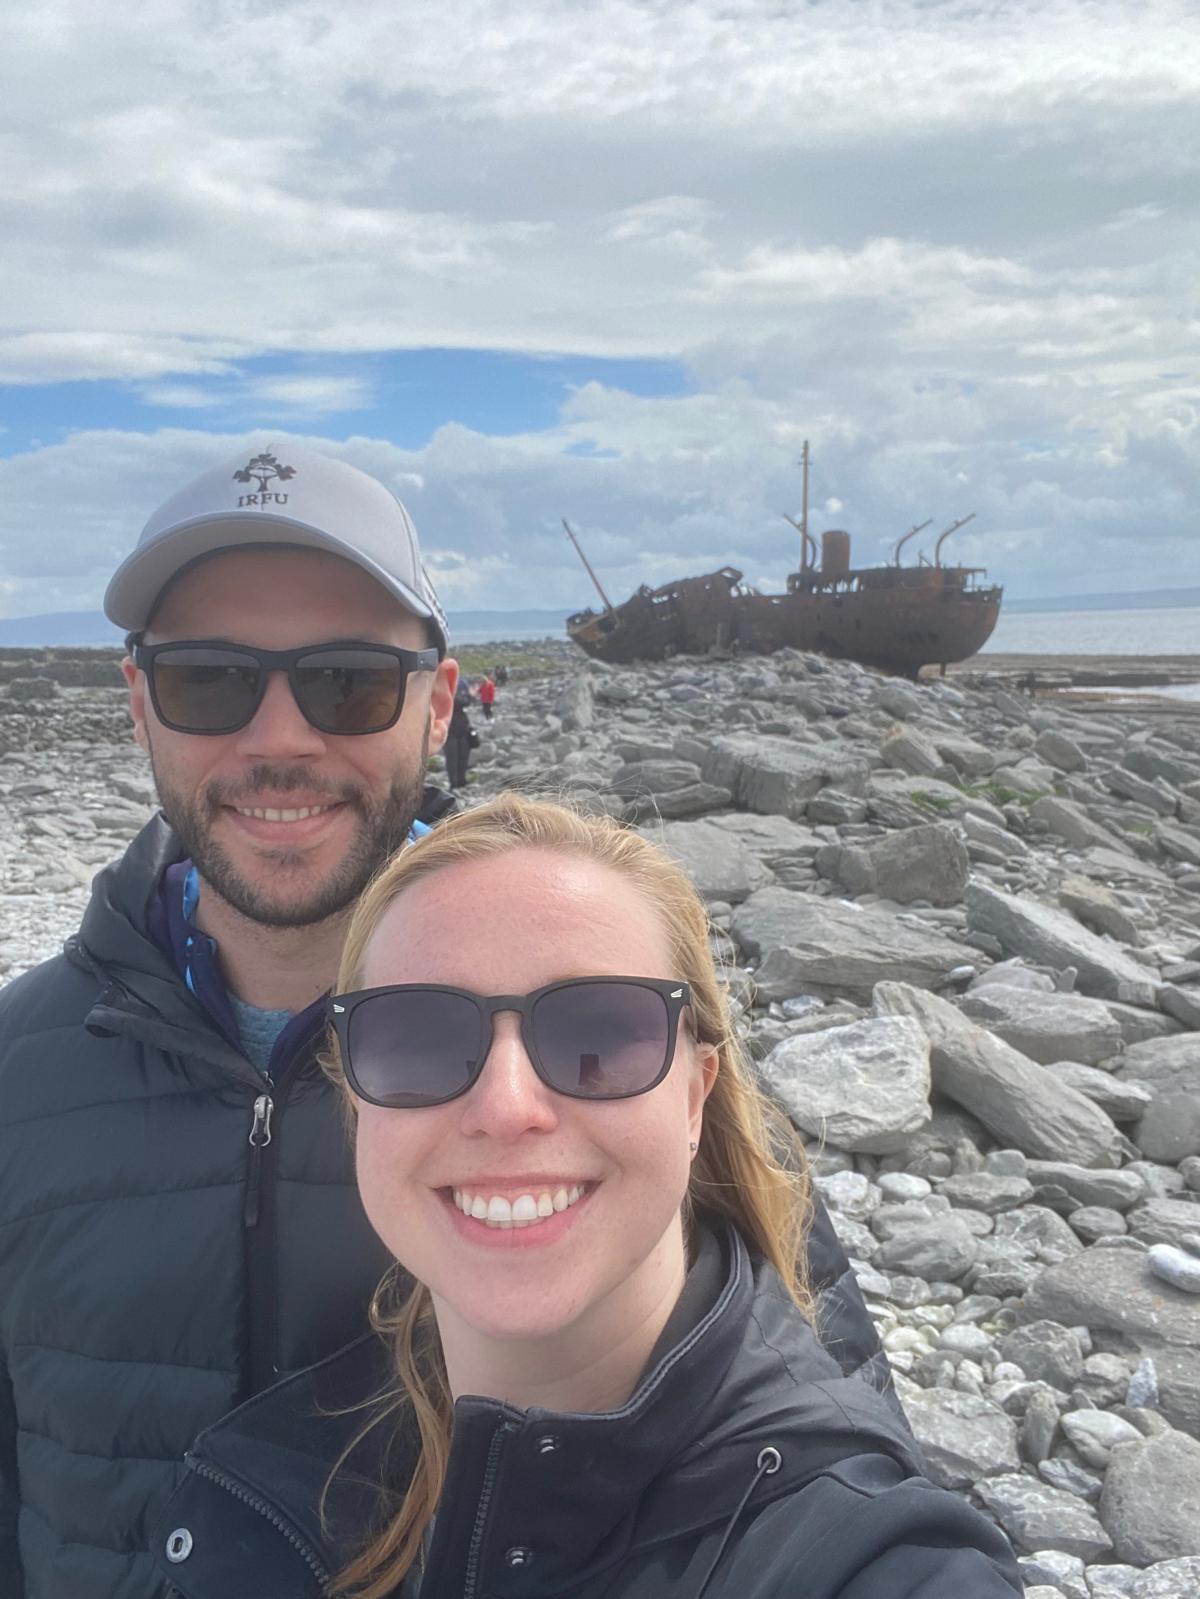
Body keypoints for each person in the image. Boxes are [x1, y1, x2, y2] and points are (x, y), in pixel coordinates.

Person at [151, 795, 1023, 1599]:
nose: (505, 1107)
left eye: (599, 1031)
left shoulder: (863, 1556)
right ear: (354, 1101)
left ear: (694, 1093)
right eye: (417, 1037)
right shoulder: (285, 1469)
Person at [0, 446, 459, 1598]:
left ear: (437, 707)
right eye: (210, 680)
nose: (280, 741)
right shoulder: (16, 1072)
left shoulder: (587, 1048)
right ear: (140, 706)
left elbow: (801, 1455)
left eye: (348, 681)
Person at [443, 678, 476, 789]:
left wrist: (469, 696)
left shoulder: (461, 683)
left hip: (461, 728)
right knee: (453, 757)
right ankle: (454, 782)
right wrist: (470, 696)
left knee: (463, 755)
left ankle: (461, 780)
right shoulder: (445, 688)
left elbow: (464, 702)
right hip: (451, 729)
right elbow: (459, 701)